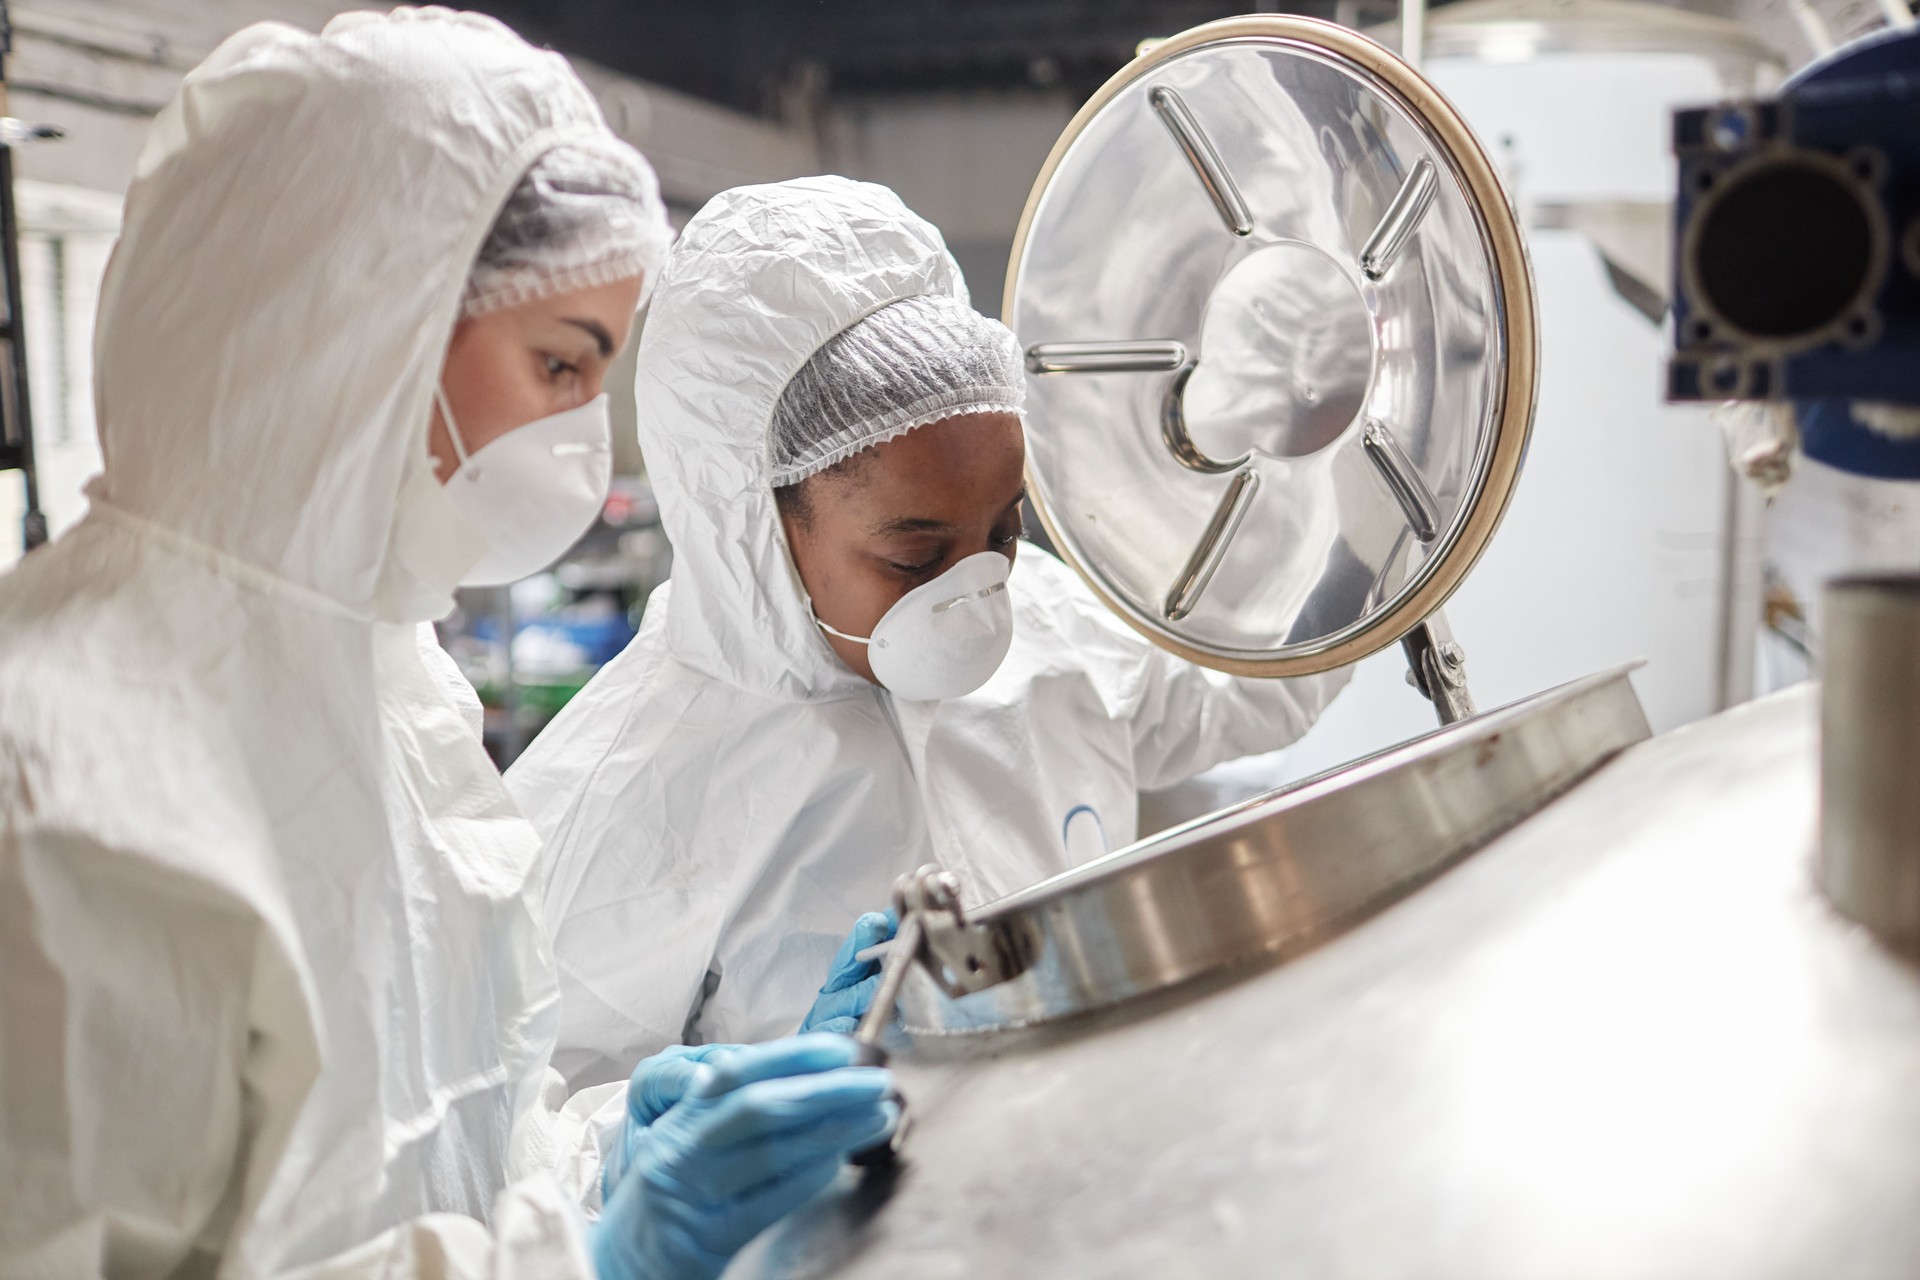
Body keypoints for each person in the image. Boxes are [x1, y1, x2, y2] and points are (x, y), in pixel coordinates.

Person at [0, 13, 892, 1279]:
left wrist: (610, 1158)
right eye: (559, 365)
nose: (587, 443)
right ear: (362, 322)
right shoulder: (61, 768)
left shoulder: (383, 681)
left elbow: (444, 1144)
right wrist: (597, 1261)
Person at [506, 176, 1353, 1090]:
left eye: (1005, 531)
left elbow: (1252, 687)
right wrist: (708, 1120)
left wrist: (1304, 460)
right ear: (749, 519)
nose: (976, 593)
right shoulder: (627, 796)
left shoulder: (1048, 628)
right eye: (912, 558)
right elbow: (521, 1136)